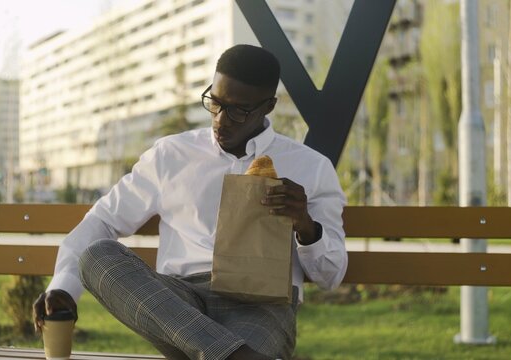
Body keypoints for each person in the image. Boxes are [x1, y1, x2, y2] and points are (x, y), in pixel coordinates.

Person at [33, 44, 347, 360]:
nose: (221, 120)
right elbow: (103, 220)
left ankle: (219, 352)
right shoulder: (171, 155)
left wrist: (306, 225)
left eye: (239, 110)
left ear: (268, 106)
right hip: (177, 304)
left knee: (214, 345)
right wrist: (62, 286)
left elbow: (330, 275)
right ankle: (234, 355)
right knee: (96, 256)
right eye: (216, 102)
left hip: (261, 307)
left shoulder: (311, 167)